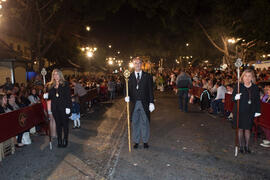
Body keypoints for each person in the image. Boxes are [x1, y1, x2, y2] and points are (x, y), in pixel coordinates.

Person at [125, 57, 155, 149]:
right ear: (133, 64)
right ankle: (136, 141)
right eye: (135, 63)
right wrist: (126, 96)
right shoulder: (129, 77)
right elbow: (126, 89)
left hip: (144, 103)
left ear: (141, 64)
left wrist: (151, 102)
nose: (137, 65)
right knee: (135, 122)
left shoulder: (147, 76)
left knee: (144, 122)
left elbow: (150, 90)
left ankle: (145, 141)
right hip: (134, 103)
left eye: (139, 63)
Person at [232, 69, 261, 154]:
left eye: (249, 76)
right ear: (242, 77)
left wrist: (257, 111)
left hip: (250, 111)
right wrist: (235, 97)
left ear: (252, 78)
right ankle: (241, 146)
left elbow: (257, 100)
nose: (247, 78)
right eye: (245, 76)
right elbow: (232, 98)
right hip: (240, 110)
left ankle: (247, 146)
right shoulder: (238, 86)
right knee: (240, 129)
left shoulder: (255, 87)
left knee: (248, 129)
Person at [44, 69, 72, 148]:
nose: (55, 76)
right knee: (58, 125)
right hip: (55, 108)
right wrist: (46, 96)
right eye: (54, 74)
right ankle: (59, 140)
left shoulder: (65, 84)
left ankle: (65, 139)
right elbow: (50, 96)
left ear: (60, 75)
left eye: (57, 74)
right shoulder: (51, 85)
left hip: (64, 107)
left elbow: (68, 96)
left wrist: (68, 107)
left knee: (65, 125)